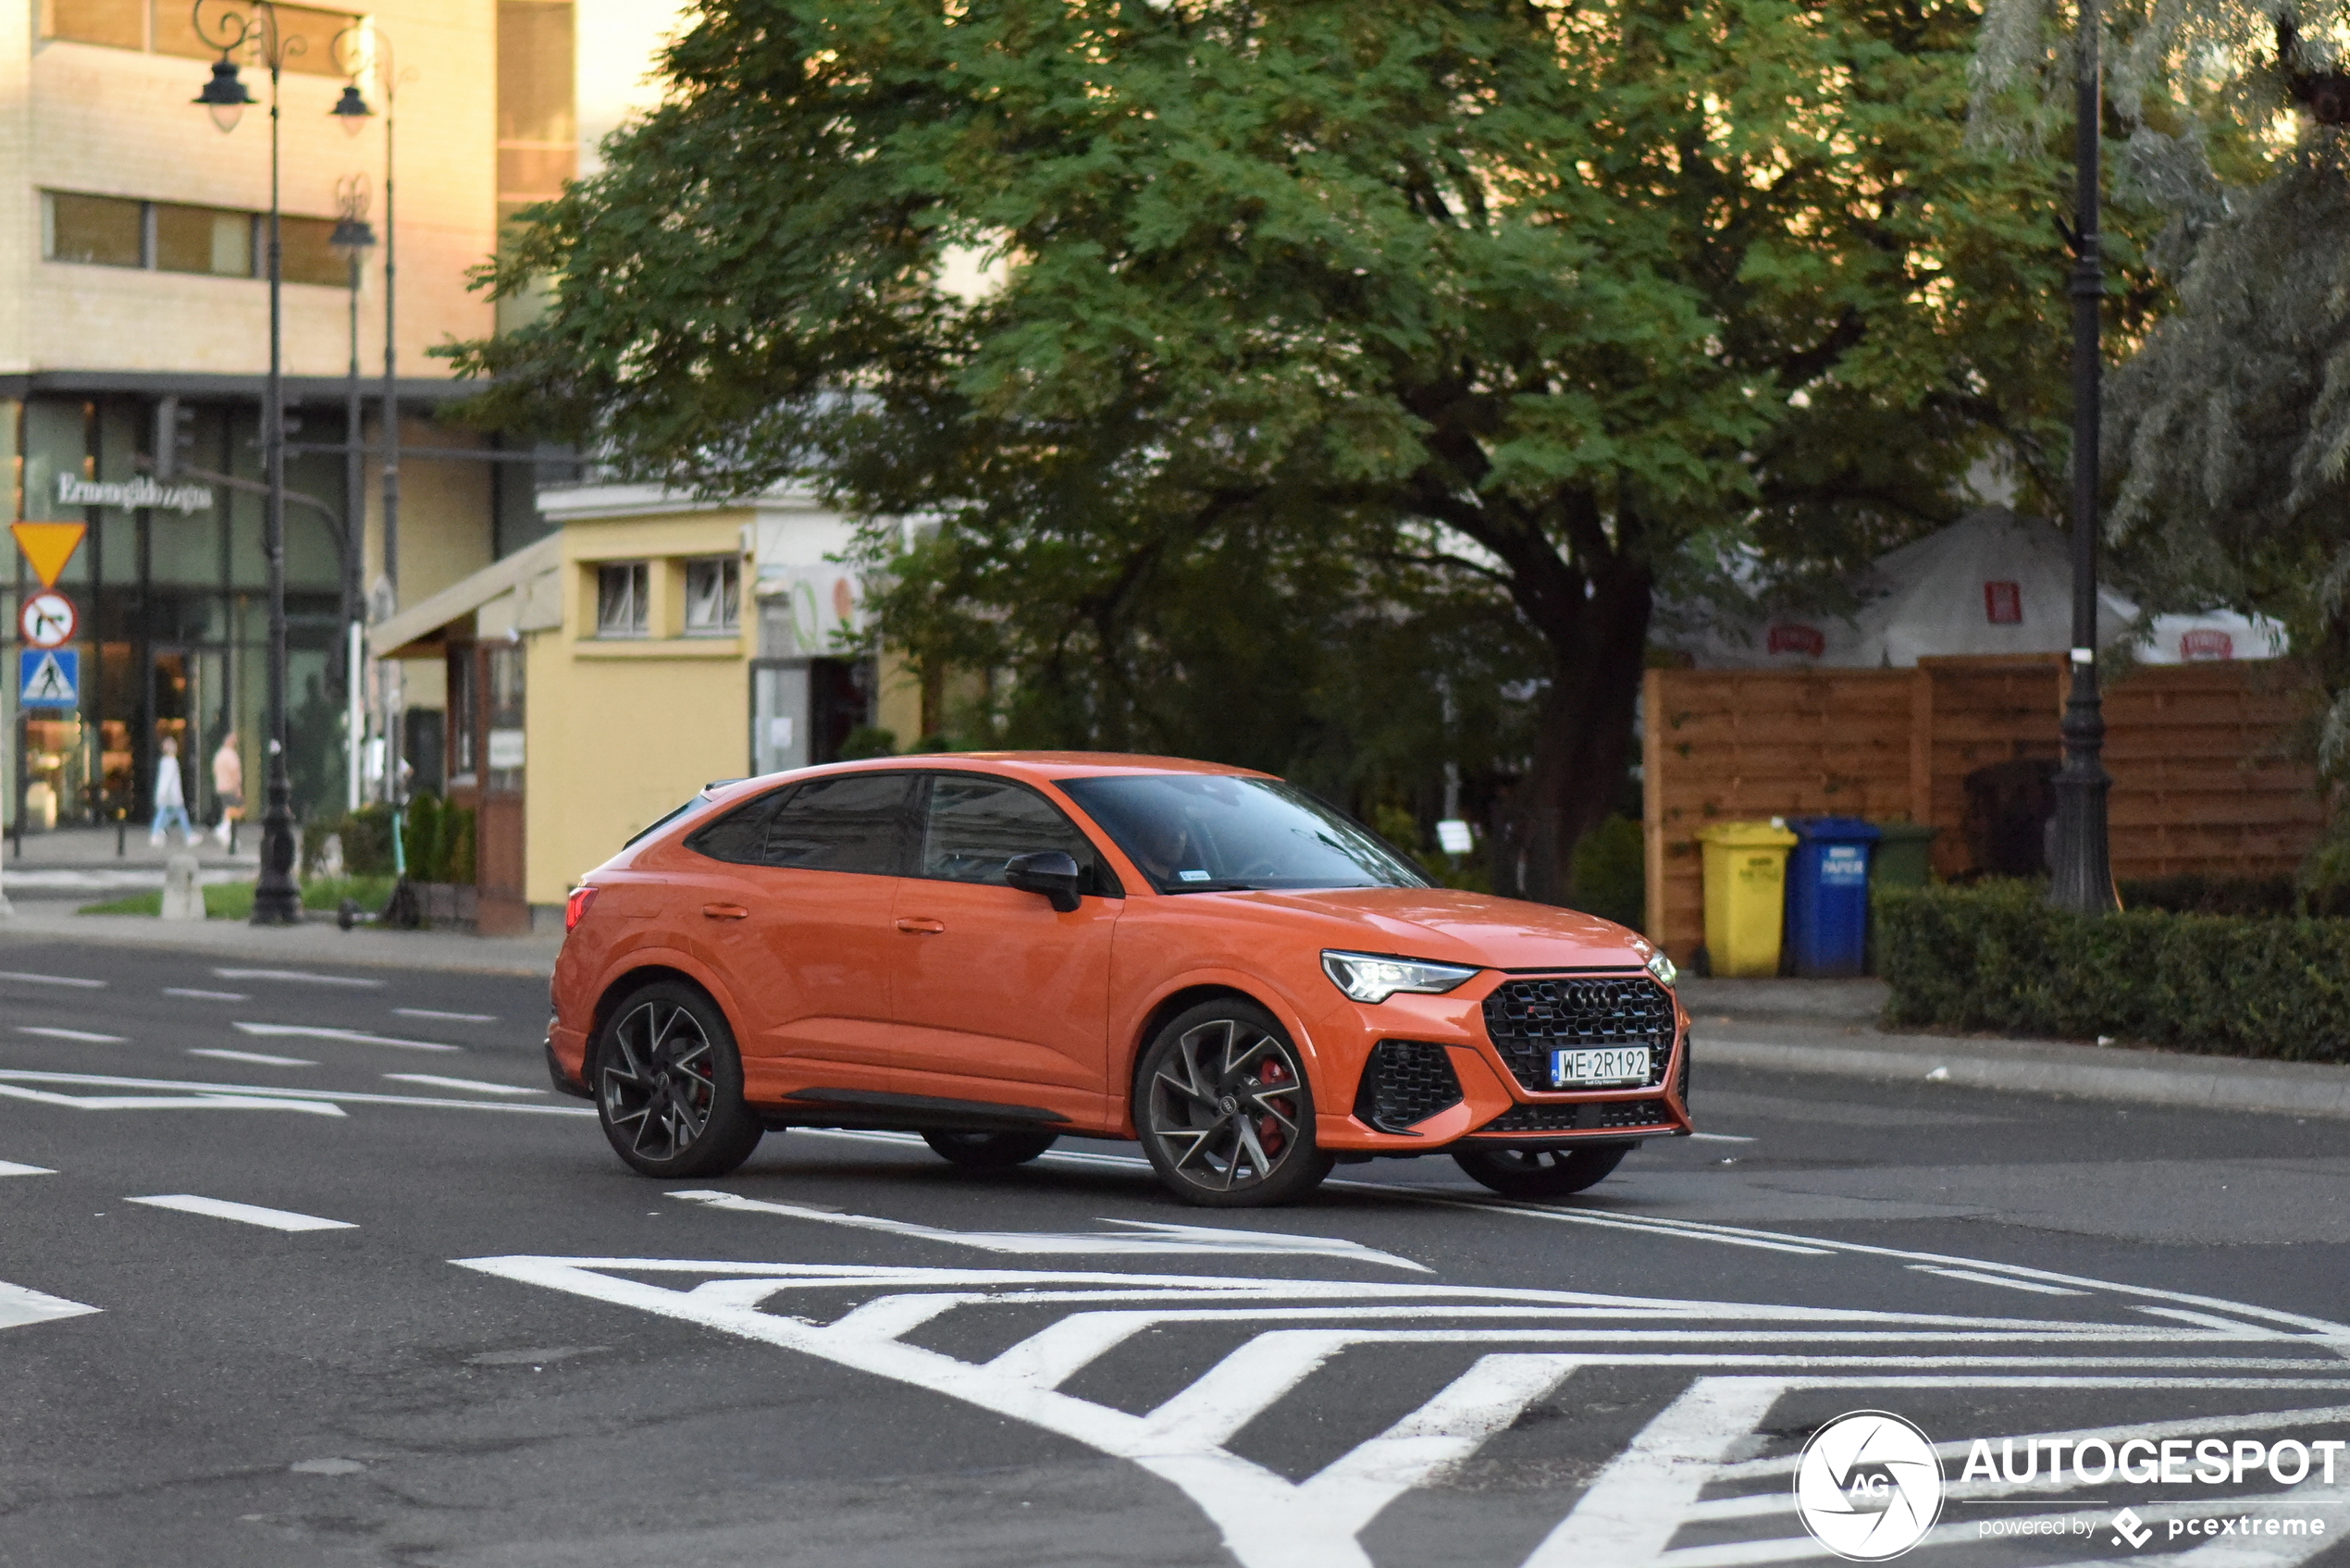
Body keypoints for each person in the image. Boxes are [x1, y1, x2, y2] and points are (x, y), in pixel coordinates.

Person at [149, 736, 194, 846]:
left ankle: (158, 832)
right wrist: (163, 793)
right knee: (173, 813)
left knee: (167, 814)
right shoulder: (171, 762)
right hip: (172, 795)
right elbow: (167, 780)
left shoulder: (165, 761)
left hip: (168, 795)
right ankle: (188, 836)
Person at [212, 733, 243, 847]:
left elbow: (215, 770)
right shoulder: (231, 755)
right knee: (235, 809)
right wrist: (238, 788)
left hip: (221, 786)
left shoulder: (219, 754)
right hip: (230, 786)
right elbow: (235, 772)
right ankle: (223, 828)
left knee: (228, 809)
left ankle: (227, 834)